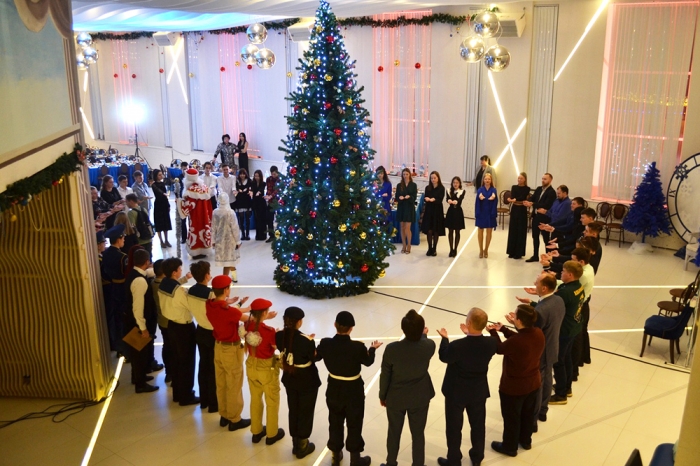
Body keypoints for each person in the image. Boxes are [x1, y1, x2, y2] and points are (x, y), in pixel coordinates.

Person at [316, 311, 383, 466]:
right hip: (353, 390)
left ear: (335, 325)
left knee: (335, 422)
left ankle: (335, 455)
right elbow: (368, 362)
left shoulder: (326, 343)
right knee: (354, 422)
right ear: (351, 328)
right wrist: (372, 349)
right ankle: (355, 459)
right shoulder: (357, 347)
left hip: (334, 388)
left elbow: (316, 356)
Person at [436, 308, 498, 466]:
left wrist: (444, 339)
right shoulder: (491, 343)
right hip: (478, 391)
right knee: (478, 426)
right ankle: (477, 457)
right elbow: (475, 347)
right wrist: (469, 334)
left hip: (456, 392)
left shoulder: (457, 346)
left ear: (468, 323)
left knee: (454, 428)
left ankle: (454, 460)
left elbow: (444, 356)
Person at [487, 305, 545, 458]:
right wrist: (504, 329)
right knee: (527, 415)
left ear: (518, 320)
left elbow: (500, 348)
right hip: (533, 383)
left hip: (514, 388)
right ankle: (525, 441)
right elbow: (520, 338)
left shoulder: (517, 341)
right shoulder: (538, 333)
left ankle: (509, 447)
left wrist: (493, 332)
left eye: (515, 315)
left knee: (511, 418)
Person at [379, 310, 435, 466]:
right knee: (418, 434)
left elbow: (385, 375)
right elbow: (423, 343)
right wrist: (423, 336)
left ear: (403, 329)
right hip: (420, 396)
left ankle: (391, 462)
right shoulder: (429, 345)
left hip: (396, 397)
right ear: (422, 329)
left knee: (394, 432)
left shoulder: (392, 349)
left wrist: (382, 395)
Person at [516, 273, 564, 428]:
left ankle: (533, 418)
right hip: (553, 346)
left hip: (542, 352)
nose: (534, 284)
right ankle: (543, 410)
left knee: (538, 385)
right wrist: (532, 303)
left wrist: (518, 326)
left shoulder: (541, 311)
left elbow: (532, 334)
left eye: (536, 282)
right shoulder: (558, 300)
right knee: (548, 379)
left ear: (544, 288)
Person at [206, 274, 252, 431]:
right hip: (231, 349)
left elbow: (225, 307)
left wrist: (235, 303)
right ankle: (235, 419)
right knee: (234, 384)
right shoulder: (228, 311)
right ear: (226, 290)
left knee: (221, 383)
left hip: (218, 347)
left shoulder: (210, 304)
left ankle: (224, 415)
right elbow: (248, 319)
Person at [276, 306, 321, 459]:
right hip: (307, 380)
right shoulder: (305, 340)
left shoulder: (279, 335)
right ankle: (302, 445)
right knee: (305, 412)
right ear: (299, 322)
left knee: (293, 409)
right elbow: (314, 357)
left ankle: (295, 442)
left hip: (290, 377)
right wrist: (313, 345)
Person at [243, 298, 285, 445]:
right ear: (264, 313)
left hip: (251, 364)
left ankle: (256, 432)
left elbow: (255, 327)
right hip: (266, 368)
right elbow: (275, 347)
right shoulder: (269, 331)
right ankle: (272, 433)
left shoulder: (246, 325)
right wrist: (277, 334)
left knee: (255, 399)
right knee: (272, 400)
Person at [158, 258, 199, 406]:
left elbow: (174, 285)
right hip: (184, 328)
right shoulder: (179, 291)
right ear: (174, 272)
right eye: (180, 269)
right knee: (187, 362)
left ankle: (178, 393)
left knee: (176, 360)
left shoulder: (163, 284)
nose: (181, 270)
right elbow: (190, 305)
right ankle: (186, 396)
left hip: (171, 326)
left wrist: (184, 279)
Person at [546, 261, 585, 404]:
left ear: (570, 274)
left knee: (558, 361)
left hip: (564, 330)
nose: (560, 273)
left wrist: (533, 302)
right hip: (574, 327)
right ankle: (567, 387)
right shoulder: (578, 286)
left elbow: (551, 307)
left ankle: (561, 394)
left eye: (563, 271)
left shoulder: (565, 292)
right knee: (567, 357)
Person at [125, 249, 158, 394]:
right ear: (147, 262)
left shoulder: (134, 273)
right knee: (139, 354)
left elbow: (148, 272)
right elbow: (137, 307)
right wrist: (143, 328)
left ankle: (138, 377)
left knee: (137, 353)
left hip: (132, 320)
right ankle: (140, 384)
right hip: (137, 323)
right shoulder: (140, 281)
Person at [186, 261, 218, 413]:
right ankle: (213, 403)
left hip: (200, 330)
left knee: (203, 365)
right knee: (213, 368)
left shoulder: (190, 291)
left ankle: (204, 400)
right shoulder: (210, 294)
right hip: (212, 332)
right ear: (206, 275)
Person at [102, 224, 128, 354]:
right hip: (121, 289)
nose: (124, 240)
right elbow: (125, 274)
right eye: (123, 238)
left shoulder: (105, 254)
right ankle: (124, 347)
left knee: (114, 318)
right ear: (118, 240)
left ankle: (116, 345)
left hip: (110, 287)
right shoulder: (122, 257)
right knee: (123, 318)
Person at [177, 168, 214, 259]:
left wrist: (179, 202)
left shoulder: (190, 190)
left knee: (196, 232)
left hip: (196, 216)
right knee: (205, 231)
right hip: (205, 216)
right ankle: (205, 249)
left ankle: (196, 252)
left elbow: (189, 205)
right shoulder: (204, 187)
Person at [570, 248, 594, 381]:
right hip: (584, 304)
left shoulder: (583, 275)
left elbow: (570, 285)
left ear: (581, 262)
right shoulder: (589, 268)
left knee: (577, 337)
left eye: (573, 260)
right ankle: (584, 357)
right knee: (583, 332)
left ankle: (577, 362)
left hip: (580, 306)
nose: (571, 262)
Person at [524, 173, 556, 262]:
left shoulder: (551, 192)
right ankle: (535, 255)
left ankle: (548, 257)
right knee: (535, 236)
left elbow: (546, 205)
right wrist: (528, 202)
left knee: (546, 238)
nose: (543, 180)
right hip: (536, 216)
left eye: (545, 179)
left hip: (545, 218)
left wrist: (533, 204)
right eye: (542, 178)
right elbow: (533, 198)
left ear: (550, 180)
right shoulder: (538, 189)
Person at [212, 193, 242, 282]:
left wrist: (213, 240)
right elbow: (235, 228)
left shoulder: (215, 212)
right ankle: (227, 279)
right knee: (229, 260)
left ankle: (232, 278)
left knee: (228, 260)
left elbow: (213, 227)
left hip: (219, 240)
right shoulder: (230, 212)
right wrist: (238, 241)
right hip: (230, 240)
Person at [151, 260, 173, 383]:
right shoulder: (164, 287)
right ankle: (172, 372)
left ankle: (169, 372)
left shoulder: (153, 282)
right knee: (172, 347)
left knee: (166, 346)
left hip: (161, 320)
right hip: (169, 320)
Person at [421, 171, 445, 257]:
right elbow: (425, 197)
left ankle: (434, 248)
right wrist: (426, 199)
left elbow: (440, 199)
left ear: (438, 178)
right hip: (429, 210)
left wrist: (434, 200)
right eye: (431, 178)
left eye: (434, 178)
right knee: (429, 230)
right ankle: (429, 248)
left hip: (437, 211)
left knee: (435, 230)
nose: (433, 180)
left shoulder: (441, 188)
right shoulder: (428, 188)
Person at [506, 173, 530, 259]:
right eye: (518, 178)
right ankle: (511, 251)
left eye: (521, 178)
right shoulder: (514, 187)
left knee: (521, 230)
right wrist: (512, 199)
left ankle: (519, 253)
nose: (519, 180)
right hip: (515, 209)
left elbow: (522, 197)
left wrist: (515, 199)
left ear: (525, 179)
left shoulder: (527, 188)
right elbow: (513, 196)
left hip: (522, 209)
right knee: (513, 229)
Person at [475, 173, 497, 258]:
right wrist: (479, 196)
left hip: (490, 213)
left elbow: (495, 199)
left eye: (489, 179)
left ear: (491, 180)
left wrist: (494, 197)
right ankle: (481, 250)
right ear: (483, 180)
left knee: (489, 231)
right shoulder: (480, 189)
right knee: (480, 231)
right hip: (482, 212)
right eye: (486, 179)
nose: (487, 180)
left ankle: (486, 249)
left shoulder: (493, 190)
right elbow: (478, 198)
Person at [396, 168, 418, 254]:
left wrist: (409, 197)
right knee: (402, 227)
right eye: (404, 174)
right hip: (401, 207)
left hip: (409, 207)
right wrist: (400, 197)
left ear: (409, 175)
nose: (405, 176)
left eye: (407, 174)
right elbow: (397, 196)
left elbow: (414, 197)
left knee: (408, 227)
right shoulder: (399, 185)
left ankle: (409, 245)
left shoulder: (413, 185)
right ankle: (404, 245)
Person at [445, 176, 466, 258]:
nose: (455, 184)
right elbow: (447, 199)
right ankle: (451, 249)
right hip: (450, 212)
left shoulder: (462, 191)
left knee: (457, 231)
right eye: (454, 183)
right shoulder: (448, 190)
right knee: (450, 231)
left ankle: (455, 249)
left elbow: (460, 200)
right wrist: (449, 200)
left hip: (458, 212)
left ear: (459, 183)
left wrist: (455, 201)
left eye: (457, 183)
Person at [151, 169, 172, 248]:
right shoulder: (154, 185)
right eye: (159, 175)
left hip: (164, 204)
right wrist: (164, 194)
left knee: (165, 223)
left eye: (161, 174)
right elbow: (159, 192)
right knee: (159, 223)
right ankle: (161, 241)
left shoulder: (163, 183)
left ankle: (166, 240)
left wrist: (168, 205)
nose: (161, 176)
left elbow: (165, 195)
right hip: (158, 204)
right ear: (156, 176)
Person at [234, 168, 252, 241]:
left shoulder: (249, 181)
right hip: (240, 201)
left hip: (247, 201)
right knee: (241, 219)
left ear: (245, 174)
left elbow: (251, 189)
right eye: (241, 174)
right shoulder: (237, 181)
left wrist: (248, 191)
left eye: (243, 174)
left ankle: (247, 234)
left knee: (247, 218)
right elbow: (235, 189)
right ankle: (243, 234)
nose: (242, 175)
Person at [264, 166, 280, 243]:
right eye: (272, 174)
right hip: (270, 202)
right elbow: (269, 189)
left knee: (280, 219)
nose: (273, 175)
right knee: (269, 219)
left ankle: (280, 234)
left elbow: (277, 190)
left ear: (277, 172)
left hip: (279, 202)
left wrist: (271, 195)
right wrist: (267, 195)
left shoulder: (280, 179)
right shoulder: (268, 179)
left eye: (275, 174)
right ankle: (271, 235)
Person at [251, 170, 267, 241]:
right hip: (255, 203)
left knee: (262, 219)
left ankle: (263, 235)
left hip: (261, 203)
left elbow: (261, 189)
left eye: (258, 176)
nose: (256, 177)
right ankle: (258, 235)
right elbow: (251, 190)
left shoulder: (263, 183)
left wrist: (259, 192)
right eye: (255, 176)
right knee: (257, 219)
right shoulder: (252, 183)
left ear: (260, 176)